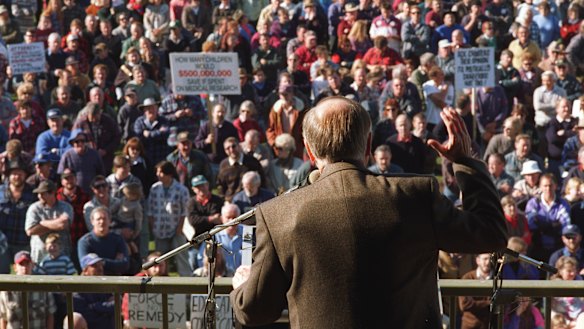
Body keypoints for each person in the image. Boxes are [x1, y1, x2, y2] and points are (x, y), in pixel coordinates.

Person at [230, 97, 507, 327]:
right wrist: (464, 161)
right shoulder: (416, 195)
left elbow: (256, 311)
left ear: (310, 154)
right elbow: (490, 233)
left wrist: (242, 288)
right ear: (368, 146)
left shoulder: (278, 214)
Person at [147, 161, 191, 276]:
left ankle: (187, 285)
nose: (158, 174)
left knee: (182, 258)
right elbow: (150, 209)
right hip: (159, 230)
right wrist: (153, 226)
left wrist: (180, 228)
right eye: (157, 172)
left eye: (161, 172)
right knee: (160, 260)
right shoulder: (154, 188)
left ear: (169, 174)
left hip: (177, 229)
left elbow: (185, 211)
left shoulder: (182, 190)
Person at [0, 251, 56, 329]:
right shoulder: (6, 291)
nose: (25, 267)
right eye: (21, 264)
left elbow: (50, 314)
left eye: (27, 263)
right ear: (15, 267)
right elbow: (3, 318)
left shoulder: (43, 286)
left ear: (32, 265)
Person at [25, 180, 74, 264]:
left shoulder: (66, 207)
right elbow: (30, 231)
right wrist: (56, 223)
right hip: (40, 256)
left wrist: (43, 223)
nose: (39, 196)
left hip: (62, 255)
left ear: (52, 193)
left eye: (43, 194)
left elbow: (63, 224)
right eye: (39, 193)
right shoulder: (34, 208)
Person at [77, 206, 129, 275]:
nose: (101, 222)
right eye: (98, 219)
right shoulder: (85, 242)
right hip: (93, 281)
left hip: (115, 281)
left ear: (110, 221)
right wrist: (114, 263)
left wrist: (101, 262)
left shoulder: (118, 240)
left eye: (104, 219)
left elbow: (125, 265)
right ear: (92, 222)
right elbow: (85, 266)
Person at [73, 253, 115, 329]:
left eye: (101, 265)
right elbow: (89, 317)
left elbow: (116, 304)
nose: (100, 268)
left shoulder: (105, 285)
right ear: (85, 270)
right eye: (95, 266)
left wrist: (95, 306)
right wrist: (105, 308)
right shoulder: (77, 290)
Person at [459, 253, 492, 329]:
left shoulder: (496, 278)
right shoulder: (468, 277)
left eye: (490, 259)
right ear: (478, 260)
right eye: (485, 259)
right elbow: (464, 304)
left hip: (489, 325)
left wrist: (476, 304)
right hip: (470, 325)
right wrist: (489, 303)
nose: (488, 262)